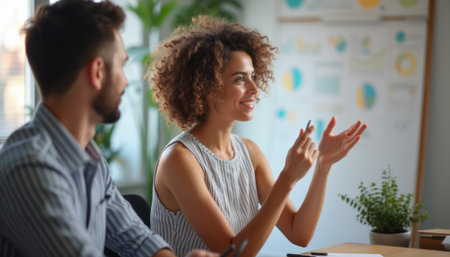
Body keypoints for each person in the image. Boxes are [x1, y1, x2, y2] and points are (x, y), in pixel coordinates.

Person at [0, 1, 218, 257]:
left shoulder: (89, 156)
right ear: (97, 72)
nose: (126, 80)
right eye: (122, 65)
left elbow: (134, 237)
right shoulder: (29, 167)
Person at [148, 15, 368, 257]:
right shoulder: (179, 160)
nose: (254, 89)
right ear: (207, 87)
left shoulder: (249, 152)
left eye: (253, 76)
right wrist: (287, 179)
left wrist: (323, 166)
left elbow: (299, 234)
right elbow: (233, 253)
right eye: (241, 79)